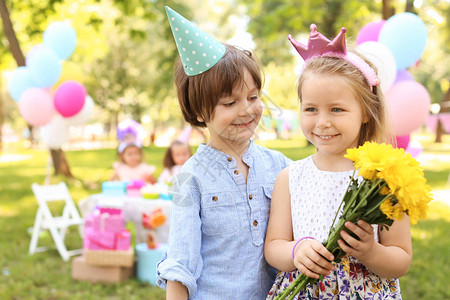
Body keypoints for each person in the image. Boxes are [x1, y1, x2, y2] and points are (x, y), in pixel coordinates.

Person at [265, 25, 412, 299]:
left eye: (337, 109)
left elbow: (401, 259)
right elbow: (274, 246)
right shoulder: (290, 177)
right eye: (310, 109)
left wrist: (372, 251)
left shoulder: (383, 179)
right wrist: (296, 251)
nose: (322, 122)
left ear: (366, 112)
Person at [156, 6, 291, 300]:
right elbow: (180, 265)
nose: (247, 110)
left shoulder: (280, 165)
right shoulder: (189, 179)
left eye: (253, 97)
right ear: (199, 111)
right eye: (230, 103)